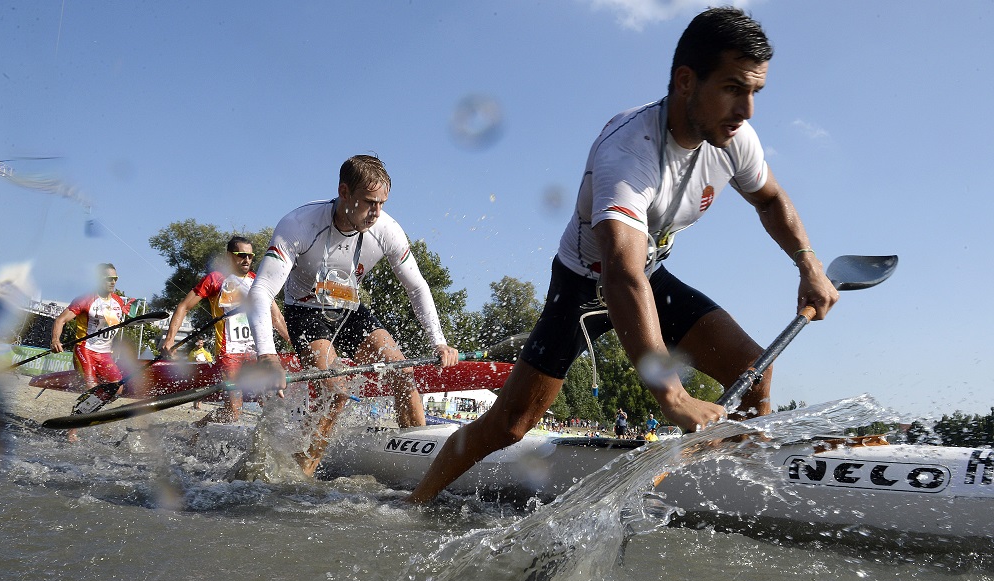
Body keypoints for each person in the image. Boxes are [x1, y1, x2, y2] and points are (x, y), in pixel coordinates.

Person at [407, 7, 839, 503]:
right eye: (732, 88)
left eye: (754, 92)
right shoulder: (629, 150)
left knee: (753, 373)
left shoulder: (735, 140)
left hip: (648, 274)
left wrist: (809, 263)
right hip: (583, 283)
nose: (747, 109)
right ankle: (416, 500)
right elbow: (621, 274)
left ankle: (722, 491)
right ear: (685, 80)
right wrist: (673, 397)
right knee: (511, 424)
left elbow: (770, 200)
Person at [248, 154, 459, 476]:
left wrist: (439, 342)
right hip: (306, 311)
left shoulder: (387, 229)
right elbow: (261, 291)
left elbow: (417, 288)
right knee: (337, 391)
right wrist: (268, 357)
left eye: (382, 204)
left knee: (401, 371)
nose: (376, 213)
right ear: (344, 192)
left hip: (349, 309)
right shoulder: (299, 225)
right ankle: (301, 473)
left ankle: (422, 468)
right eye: (369, 203)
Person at [160, 236, 290, 424]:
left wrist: (294, 343)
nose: (247, 260)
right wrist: (170, 340)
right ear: (229, 256)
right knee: (233, 411)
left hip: (256, 352)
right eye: (241, 255)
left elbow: (276, 318)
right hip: (229, 353)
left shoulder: (258, 282)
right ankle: (198, 428)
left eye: (250, 256)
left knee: (270, 404)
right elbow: (184, 307)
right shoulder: (215, 279)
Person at [50, 263, 133, 442]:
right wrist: (56, 340)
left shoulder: (118, 301)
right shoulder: (85, 299)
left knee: (117, 389)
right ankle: (72, 430)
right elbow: (60, 320)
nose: (112, 282)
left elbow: (111, 323)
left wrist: (124, 312)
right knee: (93, 392)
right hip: (85, 350)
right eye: (108, 279)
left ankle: (85, 410)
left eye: (115, 279)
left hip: (105, 354)